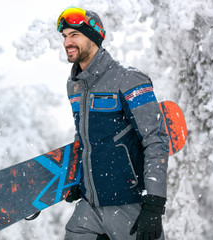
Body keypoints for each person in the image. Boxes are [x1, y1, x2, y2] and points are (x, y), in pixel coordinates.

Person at [57, 7, 170, 240]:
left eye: (74, 35)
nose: (67, 41)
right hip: (90, 205)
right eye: (65, 36)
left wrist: (154, 203)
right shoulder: (74, 86)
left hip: (128, 203)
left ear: (94, 37)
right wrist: (81, 179)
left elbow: (155, 139)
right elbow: (86, 138)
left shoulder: (129, 79)